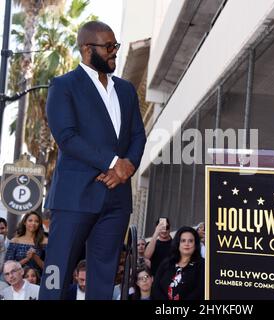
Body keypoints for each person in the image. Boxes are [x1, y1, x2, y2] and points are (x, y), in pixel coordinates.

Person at [39, 21, 146, 300]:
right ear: (87, 48)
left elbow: (138, 136)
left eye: (115, 46)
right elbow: (67, 137)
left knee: (103, 278)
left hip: (116, 198)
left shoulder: (125, 90)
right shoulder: (63, 86)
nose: (114, 52)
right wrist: (114, 162)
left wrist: (127, 168)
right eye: (108, 47)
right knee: (56, 275)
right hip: (74, 198)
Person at [152, 226, 204, 300]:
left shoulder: (202, 265)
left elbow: (200, 291)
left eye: (190, 241)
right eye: (183, 240)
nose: (187, 244)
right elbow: (156, 287)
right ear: (178, 243)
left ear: (195, 244)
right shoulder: (166, 262)